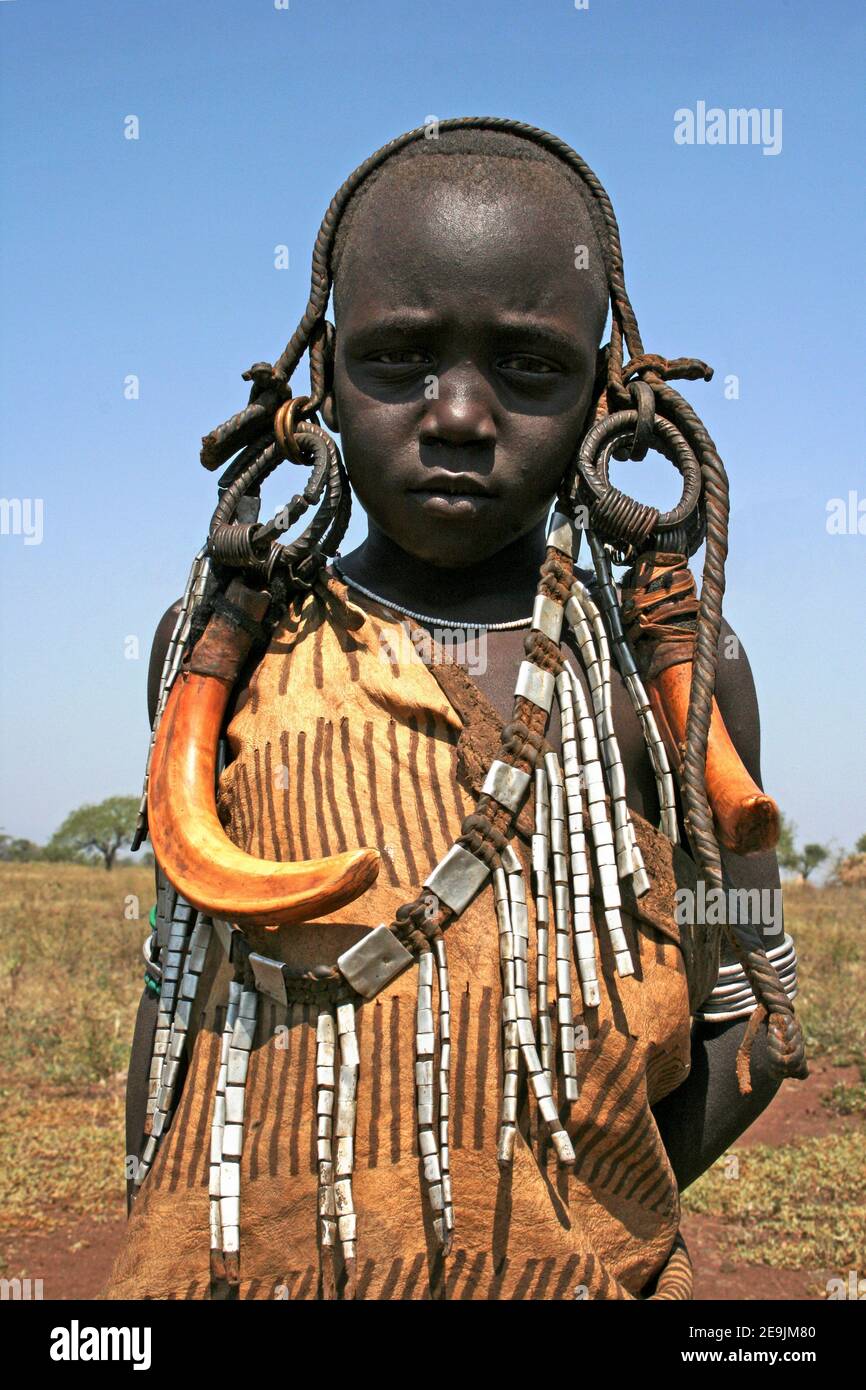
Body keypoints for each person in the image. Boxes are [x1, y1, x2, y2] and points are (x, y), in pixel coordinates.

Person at [107, 120, 803, 1301]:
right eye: (398, 361)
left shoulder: (672, 680)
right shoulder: (219, 657)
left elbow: (750, 1011)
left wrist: (576, 1230)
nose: (460, 417)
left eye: (529, 369)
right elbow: (178, 1012)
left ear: (607, 396)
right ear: (319, 375)